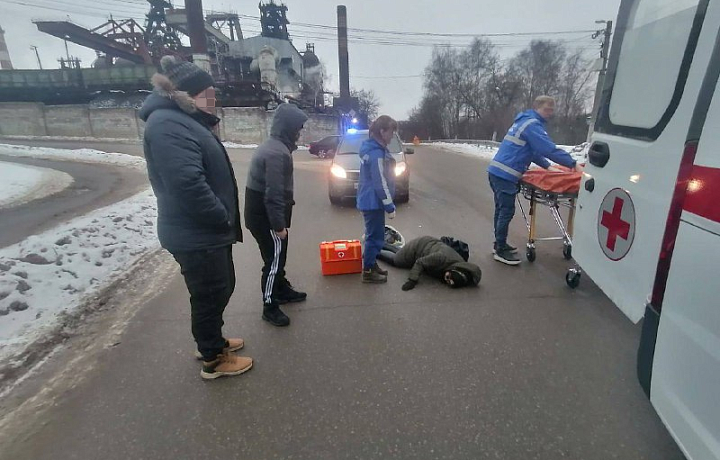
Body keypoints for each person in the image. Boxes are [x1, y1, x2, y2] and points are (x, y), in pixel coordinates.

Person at [140, 56, 252, 380]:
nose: (214, 98)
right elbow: (186, 183)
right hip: (198, 232)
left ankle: (212, 341)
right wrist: (220, 216)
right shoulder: (168, 124)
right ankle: (213, 358)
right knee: (210, 292)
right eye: (208, 92)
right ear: (188, 94)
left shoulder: (182, 121)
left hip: (203, 232)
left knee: (219, 287)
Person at [488, 95, 581, 266]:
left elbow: (533, 151)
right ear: (537, 107)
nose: (550, 113)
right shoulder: (532, 125)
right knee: (505, 211)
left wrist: (547, 166)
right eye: (547, 109)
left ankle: (499, 244)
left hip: (497, 172)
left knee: (501, 210)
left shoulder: (524, 121)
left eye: (552, 110)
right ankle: (500, 249)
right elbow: (547, 149)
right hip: (504, 175)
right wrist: (573, 164)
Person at [245, 103, 309, 327]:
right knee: (273, 261)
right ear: (288, 128)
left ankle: (281, 289)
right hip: (266, 217)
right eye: (297, 129)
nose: (299, 134)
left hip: (263, 215)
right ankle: (270, 305)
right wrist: (279, 226)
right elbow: (273, 194)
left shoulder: (274, 146)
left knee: (277, 256)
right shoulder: (276, 153)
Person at [357, 115, 398, 283]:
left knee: (374, 235)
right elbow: (379, 182)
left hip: (371, 201)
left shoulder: (376, 150)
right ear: (382, 131)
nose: (392, 136)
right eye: (391, 132)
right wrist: (389, 206)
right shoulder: (376, 154)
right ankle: (368, 270)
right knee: (375, 237)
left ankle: (371, 264)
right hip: (373, 202)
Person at [378, 236, 481, 290]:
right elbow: (420, 262)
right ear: (453, 270)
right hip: (419, 247)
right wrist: (412, 280)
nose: (447, 280)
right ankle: (374, 252)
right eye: (449, 277)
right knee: (397, 260)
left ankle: (380, 243)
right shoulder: (442, 258)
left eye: (450, 282)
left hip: (429, 245)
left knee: (401, 253)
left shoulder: (461, 267)